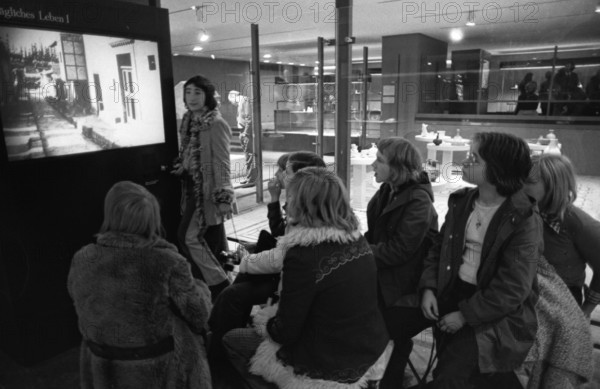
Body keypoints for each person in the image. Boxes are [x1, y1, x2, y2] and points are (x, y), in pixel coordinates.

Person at [389, 132, 542, 388]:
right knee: (390, 321)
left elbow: (512, 288)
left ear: (497, 168)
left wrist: (464, 315)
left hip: (493, 312)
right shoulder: (463, 201)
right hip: (450, 291)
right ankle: (388, 379)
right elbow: (438, 248)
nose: (465, 161)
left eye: (475, 157)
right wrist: (428, 288)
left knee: (451, 376)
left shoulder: (524, 218)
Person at [222, 167, 392, 389]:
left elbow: (284, 332)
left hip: (328, 364)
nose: (286, 200)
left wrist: (264, 320)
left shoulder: (304, 255)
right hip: (368, 347)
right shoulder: (356, 238)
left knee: (231, 340)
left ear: (303, 204)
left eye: (290, 195)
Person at [68, 181, 213, 389]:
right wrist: (202, 288)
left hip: (103, 368)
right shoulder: (167, 261)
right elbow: (199, 314)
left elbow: (79, 300)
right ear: (152, 218)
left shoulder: (82, 258)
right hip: (162, 371)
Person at [207, 151, 326, 365]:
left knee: (232, 293)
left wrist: (244, 261)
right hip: (283, 273)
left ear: (301, 178)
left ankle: (220, 353)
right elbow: (281, 236)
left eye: (284, 170)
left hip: (288, 282)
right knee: (236, 287)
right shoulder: (302, 203)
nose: (279, 174)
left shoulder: (308, 211)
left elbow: (282, 255)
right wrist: (274, 199)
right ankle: (220, 339)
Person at [365, 137, 439, 388]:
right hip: (387, 278)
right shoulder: (389, 189)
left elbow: (398, 251)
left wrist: (357, 253)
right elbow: (376, 235)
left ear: (397, 168)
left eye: (380, 160)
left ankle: (388, 379)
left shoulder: (418, 200)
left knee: (379, 328)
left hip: (404, 287)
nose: (373, 165)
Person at [173, 75, 234, 300]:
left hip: (206, 192)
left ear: (207, 96)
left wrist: (224, 196)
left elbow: (222, 163)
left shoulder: (215, 123)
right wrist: (182, 166)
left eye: (197, 92)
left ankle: (220, 284)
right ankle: (205, 288)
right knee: (211, 238)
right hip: (189, 188)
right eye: (188, 92)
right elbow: (190, 153)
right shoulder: (189, 120)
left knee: (188, 237)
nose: (192, 97)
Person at [524, 154, 600, 316]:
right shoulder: (526, 210)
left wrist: (585, 311)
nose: (519, 187)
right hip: (526, 288)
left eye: (528, 182)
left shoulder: (577, 222)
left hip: (561, 297)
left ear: (553, 185)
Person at [229, 90, 257, 187]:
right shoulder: (242, 101)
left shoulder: (245, 100)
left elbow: (249, 118)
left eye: (231, 101)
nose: (232, 104)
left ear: (233, 97)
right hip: (244, 131)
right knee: (248, 156)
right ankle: (249, 178)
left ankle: (251, 180)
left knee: (250, 156)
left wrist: (246, 133)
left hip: (246, 132)